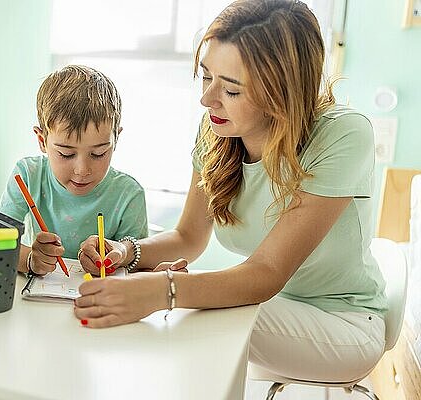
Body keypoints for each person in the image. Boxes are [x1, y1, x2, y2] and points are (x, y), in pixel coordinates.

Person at [74, 0, 387, 383]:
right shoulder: (218, 129)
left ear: (282, 91)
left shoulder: (343, 135)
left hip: (343, 322)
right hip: (271, 307)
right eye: (207, 77)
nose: (207, 100)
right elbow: (188, 237)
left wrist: (164, 290)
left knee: (188, 318)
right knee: (184, 312)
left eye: (232, 90)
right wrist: (125, 252)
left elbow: (267, 273)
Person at [0, 65, 148, 276]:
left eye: (98, 154)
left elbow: (138, 266)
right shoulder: (27, 175)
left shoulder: (129, 194)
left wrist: (116, 260)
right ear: (42, 141)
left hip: (101, 301)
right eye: (66, 154)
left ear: (116, 140)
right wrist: (30, 260)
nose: (82, 170)